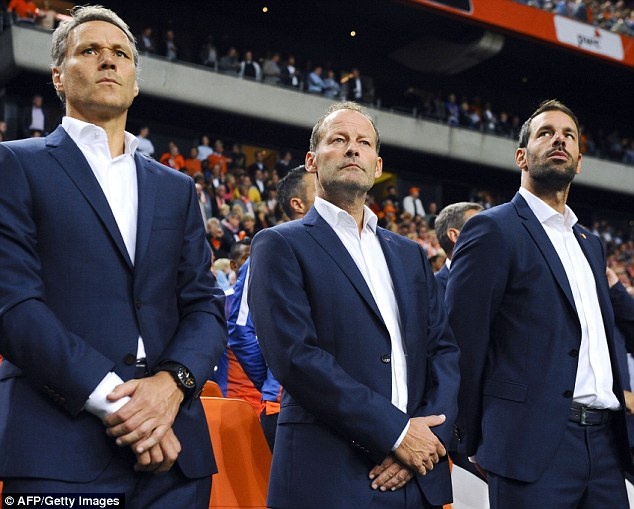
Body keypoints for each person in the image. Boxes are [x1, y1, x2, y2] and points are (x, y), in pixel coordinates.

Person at [0, 6, 226, 507]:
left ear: (134, 83)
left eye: (120, 54)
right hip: (58, 448)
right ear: (58, 76)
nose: (108, 60)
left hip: (177, 455)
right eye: (90, 50)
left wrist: (171, 386)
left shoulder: (177, 188)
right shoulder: (13, 163)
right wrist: (123, 406)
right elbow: (13, 305)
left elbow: (204, 306)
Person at [248, 102, 459, 509]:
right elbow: (295, 357)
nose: (352, 149)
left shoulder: (410, 254)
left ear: (377, 166)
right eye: (338, 139)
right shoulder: (280, 244)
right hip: (328, 472)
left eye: (364, 142)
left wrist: (428, 435)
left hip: (417, 475)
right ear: (312, 161)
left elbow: (444, 351)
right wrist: (397, 434)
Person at [446, 99, 633, 509]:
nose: (558, 140)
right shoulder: (492, 229)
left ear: (579, 161)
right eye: (546, 133)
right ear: (521, 156)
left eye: (568, 135)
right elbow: (462, 340)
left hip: (605, 446)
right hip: (527, 445)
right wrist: (469, 439)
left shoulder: (591, 244)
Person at [229, 166, 316, 451]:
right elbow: (241, 331)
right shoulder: (267, 251)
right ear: (298, 204)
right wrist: (278, 375)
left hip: (339, 409)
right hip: (285, 407)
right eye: (318, 188)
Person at [433, 201, 483, 301]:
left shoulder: (503, 277)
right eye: (480, 227)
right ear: (455, 235)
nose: (490, 233)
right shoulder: (431, 289)